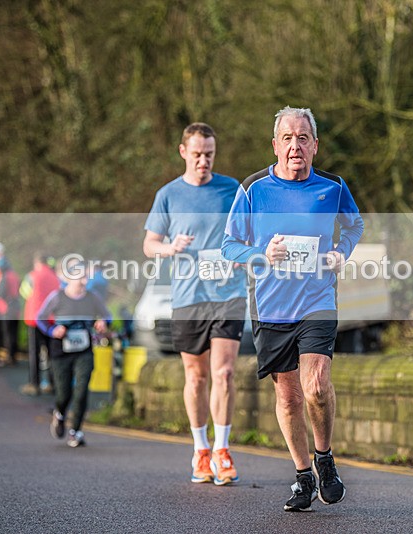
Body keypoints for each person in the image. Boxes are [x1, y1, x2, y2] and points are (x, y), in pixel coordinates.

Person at [222, 107, 364, 511]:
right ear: (275, 145)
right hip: (271, 306)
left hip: (318, 301)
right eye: (287, 138)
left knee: (316, 385)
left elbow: (354, 227)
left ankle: (325, 459)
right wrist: (262, 254)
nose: (295, 146)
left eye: (303, 138)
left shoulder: (334, 187)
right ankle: (303, 477)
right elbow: (230, 246)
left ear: (315, 146)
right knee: (288, 397)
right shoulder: (253, 189)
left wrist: (341, 253)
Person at [143, 122, 247, 485]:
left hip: (228, 294)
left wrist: (242, 255)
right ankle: (200, 449)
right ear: (183, 151)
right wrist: (169, 248)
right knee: (196, 375)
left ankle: (222, 448)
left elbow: (249, 233)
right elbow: (149, 244)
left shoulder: (231, 189)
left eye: (210, 154)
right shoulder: (168, 194)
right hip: (188, 297)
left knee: (224, 373)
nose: (204, 160)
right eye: (198, 154)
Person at [37, 259, 111, 448]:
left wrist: (103, 323)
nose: (85, 279)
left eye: (86, 275)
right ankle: (60, 413)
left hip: (84, 351)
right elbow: (40, 318)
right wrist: (53, 331)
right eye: (81, 276)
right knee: (64, 393)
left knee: (82, 389)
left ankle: (75, 431)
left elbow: (107, 315)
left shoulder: (93, 297)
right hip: (61, 352)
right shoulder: (57, 297)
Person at [19, 253, 60, 396]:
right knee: (51, 352)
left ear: (36, 262)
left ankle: (34, 384)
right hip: (51, 319)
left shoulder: (32, 276)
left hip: (35, 319)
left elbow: (24, 292)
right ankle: (52, 383)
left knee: (34, 352)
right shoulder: (55, 277)